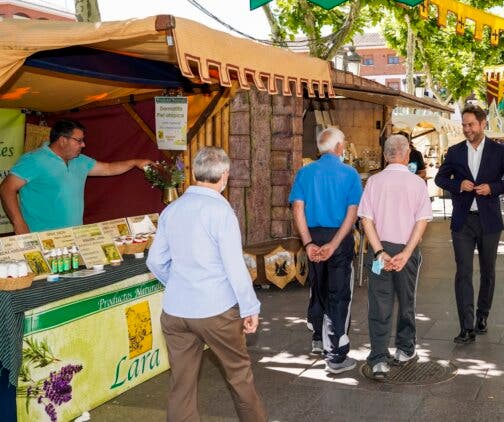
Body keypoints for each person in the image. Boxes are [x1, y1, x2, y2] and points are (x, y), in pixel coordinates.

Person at [147, 147, 267, 422]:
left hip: (176, 310)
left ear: (194, 172)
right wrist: (250, 307)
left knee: (181, 385)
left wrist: (177, 282)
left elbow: (155, 261)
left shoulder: (171, 210)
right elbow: (235, 267)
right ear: (224, 176)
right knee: (239, 376)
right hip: (217, 310)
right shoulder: (221, 211)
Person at [435, 104, 504, 344]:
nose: (466, 129)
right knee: (463, 273)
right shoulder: (454, 152)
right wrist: (458, 185)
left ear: (483, 124)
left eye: (470, 124)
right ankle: (466, 326)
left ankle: (482, 316)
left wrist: (493, 188)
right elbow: (440, 178)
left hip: (489, 221)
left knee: (488, 271)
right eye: (464, 125)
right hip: (462, 222)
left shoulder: (499, 151)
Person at [358, 134, 432, 379]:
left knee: (379, 303)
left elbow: (366, 219)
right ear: (406, 153)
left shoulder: (374, 182)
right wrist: (406, 253)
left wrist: (379, 251)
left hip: (380, 251)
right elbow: (421, 222)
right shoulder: (418, 184)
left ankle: (378, 358)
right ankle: (405, 348)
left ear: (385, 154)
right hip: (406, 251)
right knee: (406, 300)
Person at [289, 127, 362, 373]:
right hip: (338, 237)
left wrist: (308, 243)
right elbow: (352, 214)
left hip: (312, 235)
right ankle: (337, 355)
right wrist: (335, 243)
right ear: (340, 147)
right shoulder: (350, 174)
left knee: (317, 287)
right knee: (339, 294)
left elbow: (298, 208)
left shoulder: (305, 172)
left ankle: (318, 340)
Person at [0, 119, 152, 234]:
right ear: (62, 140)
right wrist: (18, 223)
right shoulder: (35, 160)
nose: (83, 145)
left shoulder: (80, 161)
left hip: (73, 236)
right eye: (79, 141)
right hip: (40, 237)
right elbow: (6, 188)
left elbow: (108, 168)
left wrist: (135, 162)